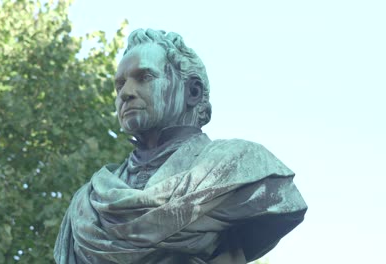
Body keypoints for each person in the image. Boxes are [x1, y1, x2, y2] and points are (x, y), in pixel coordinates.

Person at [54, 29, 307, 264]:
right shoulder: (87, 203)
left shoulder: (243, 166)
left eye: (144, 77)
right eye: (120, 84)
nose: (126, 93)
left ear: (192, 92)